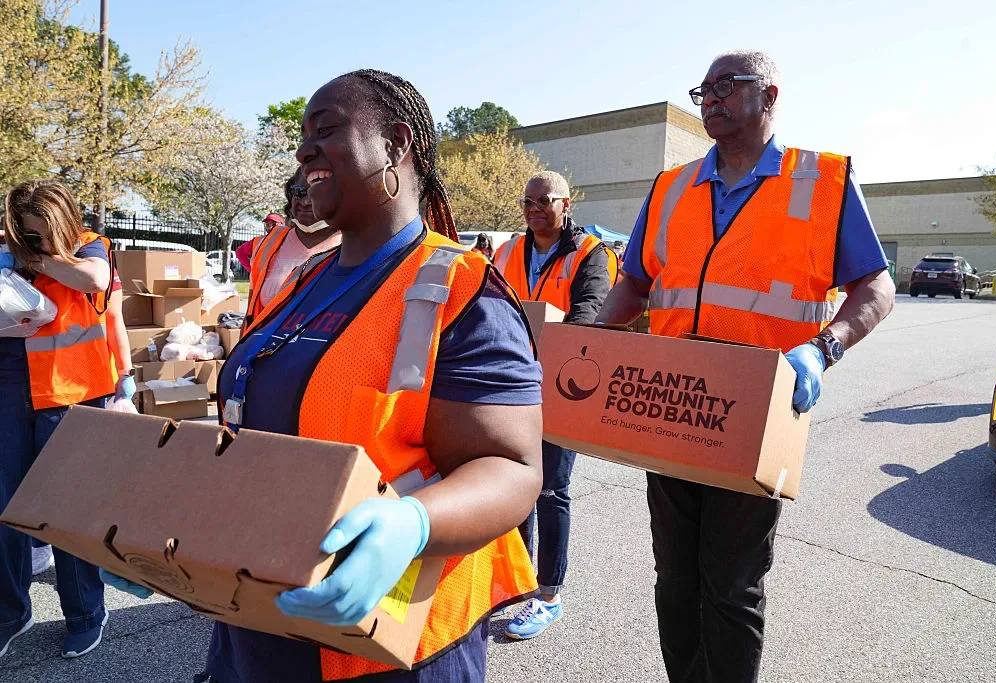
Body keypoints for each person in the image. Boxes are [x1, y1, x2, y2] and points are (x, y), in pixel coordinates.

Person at [102, 69, 543, 683]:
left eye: (326, 129)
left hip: (390, 639)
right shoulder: (308, 280)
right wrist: (167, 521)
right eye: (302, 134)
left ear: (396, 144)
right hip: (262, 617)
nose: (303, 148)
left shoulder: (464, 288)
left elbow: (513, 469)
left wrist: (412, 525)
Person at [596, 50, 895, 682]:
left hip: (757, 415)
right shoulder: (671, 187)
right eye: (703, 89)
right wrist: (585, 343)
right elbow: (634, 287)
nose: (710, 98)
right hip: (669, 410)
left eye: (727, 86)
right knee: (674, 580)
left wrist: (823, 348)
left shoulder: (823, 181)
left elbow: (876, 289)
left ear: (771, 95)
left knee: (731, 587)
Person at [493, 170, 617, 640]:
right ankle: (516, 585)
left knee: (550, 492)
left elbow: (591, 311)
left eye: (546, 201)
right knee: (514, 488)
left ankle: (549, 596)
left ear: (567, 204)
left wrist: (553, 343)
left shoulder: (590, 254)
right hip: (511, 385)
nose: (535, 209)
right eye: (528, 201)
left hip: (564, 385)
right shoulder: (507, 252)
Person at [0, 180, 114, 660]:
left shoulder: (92, 245)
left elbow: (94, 281)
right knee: (6, 509)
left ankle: (86, 613)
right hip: (10, 391)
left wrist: (38, 258)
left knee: (69, 513)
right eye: (25, 231)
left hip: (72, 396)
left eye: (42, 231)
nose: (33, 239)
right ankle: (10, 613)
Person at [29, 265, 136, 577]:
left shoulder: (93, 253)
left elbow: (114, 317)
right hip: (43, 385)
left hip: (84, 386)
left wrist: (126, 372)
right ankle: (39, 545)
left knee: (77, 482)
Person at [243, 169, 343, 328]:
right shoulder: (269, 243)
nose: (305, 202)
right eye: (299, 192)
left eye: (316, 192)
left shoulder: (353, 246)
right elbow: (252, 311)